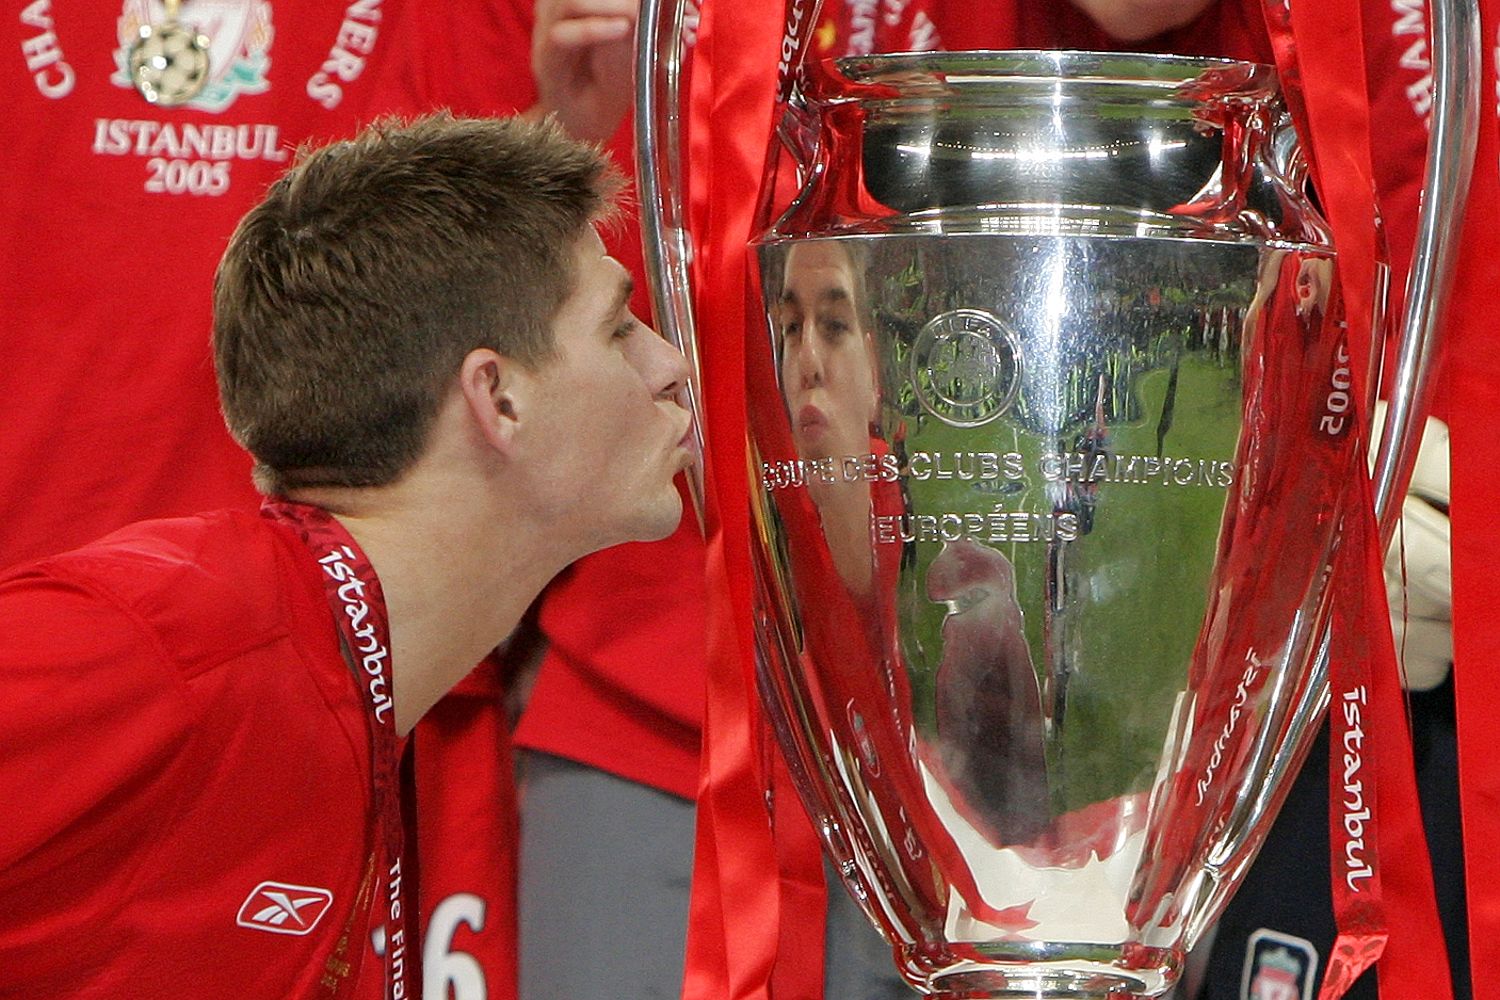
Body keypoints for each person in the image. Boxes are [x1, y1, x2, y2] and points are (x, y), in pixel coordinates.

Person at [0, 113, 693, 1000]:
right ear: (499, 398)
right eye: (618, 327)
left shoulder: (338, 673)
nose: (671, 365)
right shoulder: (167, 642)